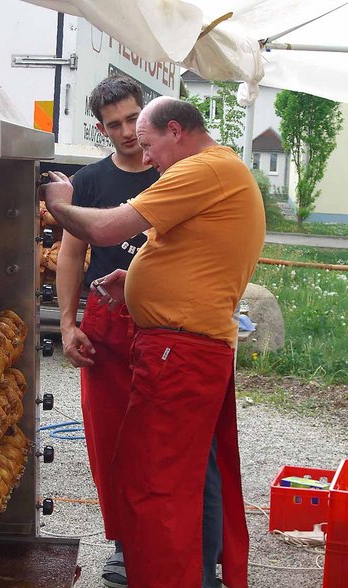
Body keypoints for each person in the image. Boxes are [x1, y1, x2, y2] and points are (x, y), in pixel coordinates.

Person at [42, 97, 266, 588]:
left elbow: (105, 227)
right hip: (184, 343)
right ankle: (196, 574)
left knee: (157, 479)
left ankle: (175, 578)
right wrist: (141, 279)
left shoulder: (202, 170)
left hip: (181, 348)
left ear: (175, 131)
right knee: (188, 468)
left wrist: (58, 201)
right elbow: (198, 252)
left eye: (148, 145)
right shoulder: (219, 168)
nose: (146, 159)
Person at [55, 76, 159, 587]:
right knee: (110, 438)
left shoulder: (173, 172)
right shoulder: (89, 183)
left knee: (165, 437)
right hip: (105, 326)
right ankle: (122, 542)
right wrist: (68, 323)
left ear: (148, 114)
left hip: (163, 324)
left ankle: (173, 538)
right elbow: (73, 256)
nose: (126, 132)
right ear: (100, 128)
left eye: (132, 119)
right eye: (113, 124)